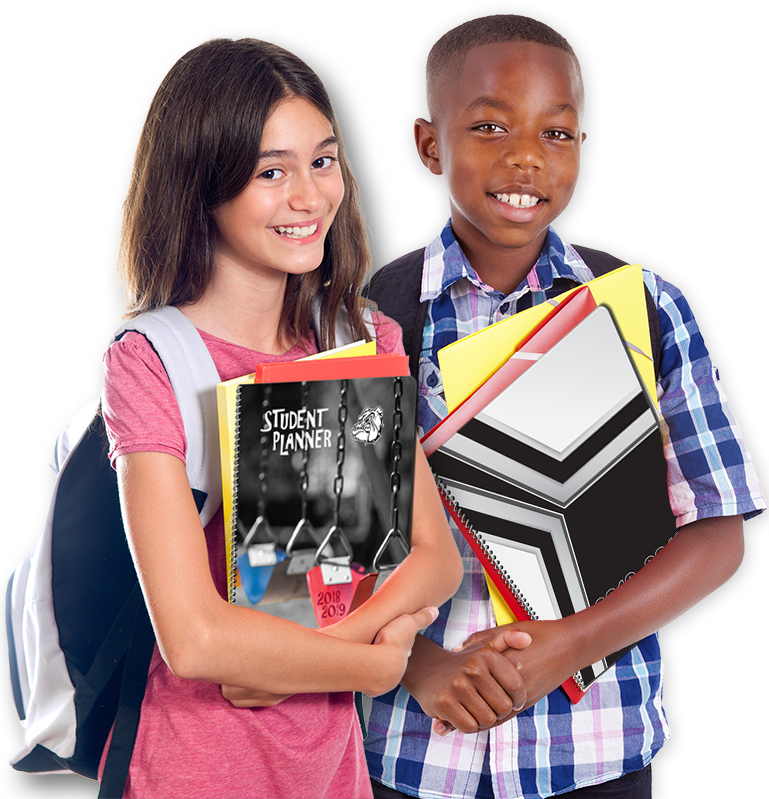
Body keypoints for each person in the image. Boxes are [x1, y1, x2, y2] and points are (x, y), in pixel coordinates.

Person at [364, 14, 767, 799]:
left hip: (596, 750)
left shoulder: (642, 308)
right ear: (427, 144)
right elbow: (319, 561)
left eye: (558, 135)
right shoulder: (363, 315)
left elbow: (719, 529)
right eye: (488, 125)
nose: (525, 158)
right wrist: (421, 667)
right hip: (404, 751)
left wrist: (564, 646)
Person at [99, 29, 463, 798]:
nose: (309, 197)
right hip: (192, 767)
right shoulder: (153, 359)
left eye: (322, 161)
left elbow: (435, 557)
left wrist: (285, 658)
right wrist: (375, 660)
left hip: (331, 768)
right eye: (272, 170)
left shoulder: (360, 337)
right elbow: (196, 640)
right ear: (201, 184)